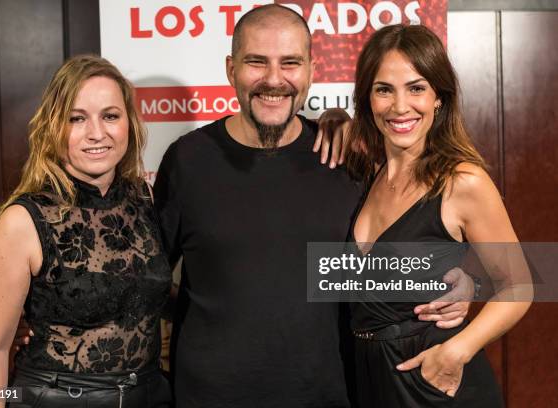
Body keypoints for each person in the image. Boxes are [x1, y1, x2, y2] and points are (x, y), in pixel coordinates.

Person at [153, 5, 472, 407]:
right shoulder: (187, 160)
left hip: (331, 394)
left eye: (290, 63)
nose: (274, 79)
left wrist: (463, 279)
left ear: (312, 70)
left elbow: (379, 266)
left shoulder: (347, 158)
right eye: (256, 62)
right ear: (231, 68)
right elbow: (148, 279)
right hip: (209, 396)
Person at [345, 24, 532, 407]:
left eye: (416, 88)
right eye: (384, 90)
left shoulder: (462, 181)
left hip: (433, 382)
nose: (400, 107)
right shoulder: (369, 172)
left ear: (438, 99)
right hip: (367, 379)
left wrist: (455, 352)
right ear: (367, 99)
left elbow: (519, 286)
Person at [0, 55, 172, 407]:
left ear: (130, 123)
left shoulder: (144, 199)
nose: (97, 133)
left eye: (110, 116)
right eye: (76, 119)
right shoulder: (23, 222)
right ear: (53, 127)